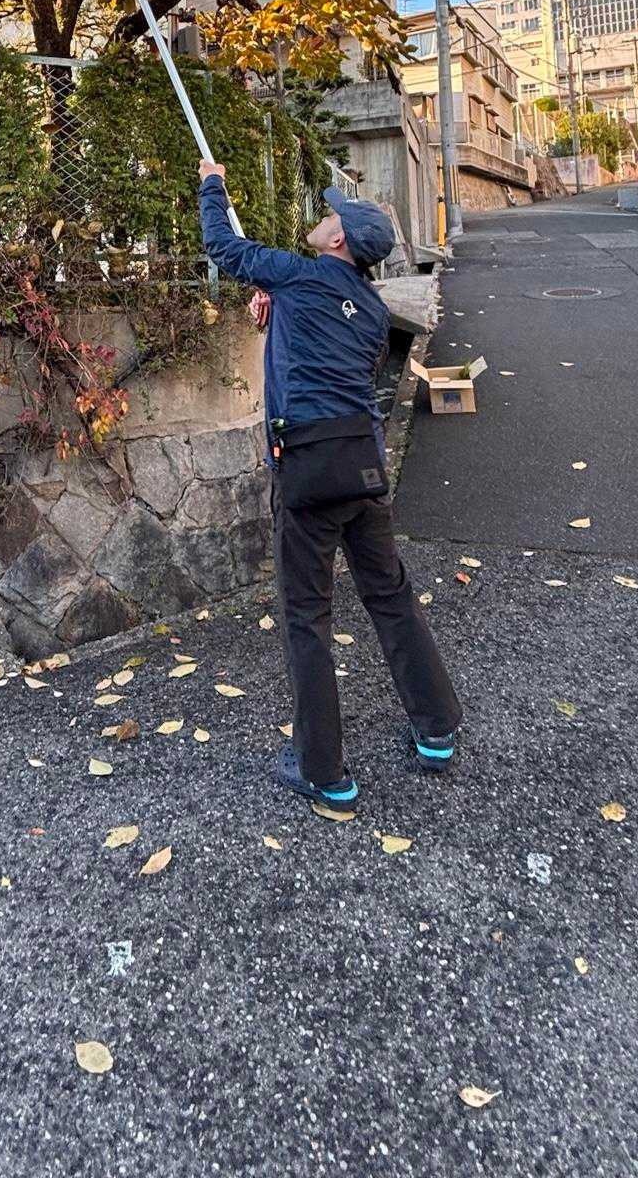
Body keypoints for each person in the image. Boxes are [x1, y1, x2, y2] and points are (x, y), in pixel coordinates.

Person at [198, 161, 461, 811]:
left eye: (331, 214)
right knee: (390, 596)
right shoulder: (371, 311)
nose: (322, 218)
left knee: (306, 616)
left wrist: (212, 183)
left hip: (307, 472)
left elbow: (224, 246)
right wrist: (279, 309)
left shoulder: (299, 276)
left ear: (339, 239)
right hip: (364, 470)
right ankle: (436, 728)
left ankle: (324, 771)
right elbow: (336, 362)